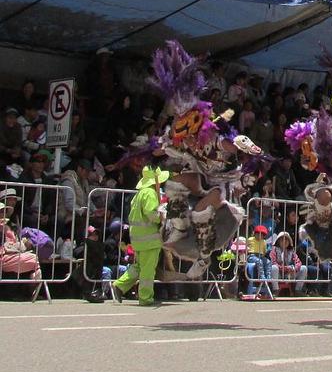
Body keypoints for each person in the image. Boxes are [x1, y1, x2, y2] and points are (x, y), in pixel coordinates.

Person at [147, 40, 264, 279]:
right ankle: (178, 228)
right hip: (201, 178)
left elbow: (232, 142)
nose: (188, 140)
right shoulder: (182, 139)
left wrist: (247, 145)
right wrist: (158, 146)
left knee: (203, 206)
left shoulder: (214, 140)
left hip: (224, 185)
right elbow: (160, 149)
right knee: (178, 180)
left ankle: (203, 257)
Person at [283, 114, 332, 297]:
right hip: (327, 189)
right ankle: (322, 228)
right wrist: (308, 159)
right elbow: (308, 162)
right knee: (324, 195)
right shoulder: (328, 139)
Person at [111, 166, 168, 306]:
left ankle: (120, 285)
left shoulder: (140, 193)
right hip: (149, 238)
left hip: (139, 237)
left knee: (139, 266)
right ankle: (145, 298)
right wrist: (162, 218)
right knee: (147, 270)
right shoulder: (150, 193)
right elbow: (151, 213)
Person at [269, 231, 307, 296]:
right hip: (279, 274)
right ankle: (275, 290)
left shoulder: (291, 251)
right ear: (278, 241)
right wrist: (286, 268)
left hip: (289, 274)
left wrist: (294, 268)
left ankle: (298, 290)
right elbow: (273, 262)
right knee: (274, 268)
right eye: (282, 239)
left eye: (286, 239)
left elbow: (298, 262)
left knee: (303, 268)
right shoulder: (274, 250)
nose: (285, 241)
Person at [244, 225, 273, 300]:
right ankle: (261, 276)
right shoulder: (250, 239)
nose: (260, 236)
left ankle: (268, 276)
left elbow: (264, 252)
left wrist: (268, 251)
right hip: (251, 255)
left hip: (260, 255)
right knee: (258, 261)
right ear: (255, 233)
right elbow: (245, 248)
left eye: (262, 234)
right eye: (258, 234)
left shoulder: (263, 242)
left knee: (268, 262)